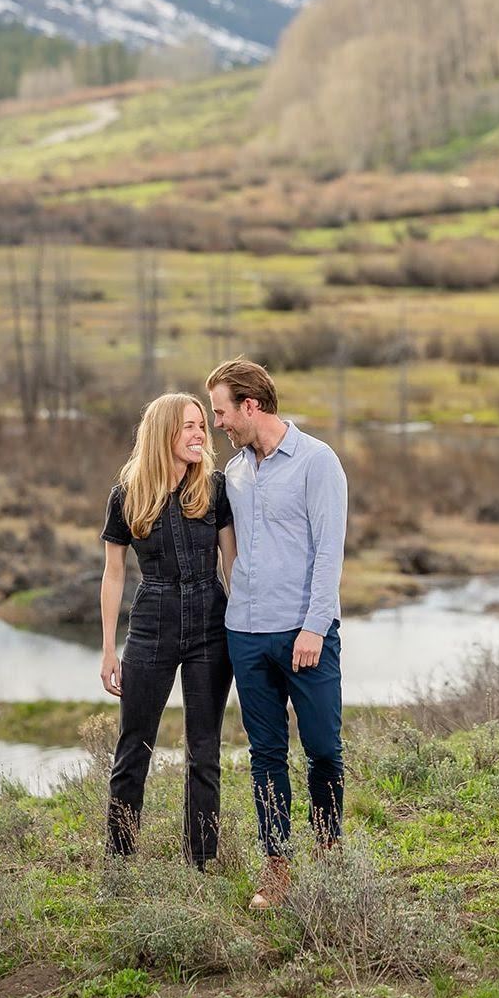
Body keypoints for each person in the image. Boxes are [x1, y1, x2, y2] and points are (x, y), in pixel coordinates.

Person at [206, 357, 348, 910]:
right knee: (265, 754)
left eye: (221, 412)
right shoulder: (234, 473)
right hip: (245, 632)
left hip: (304, 633)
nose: (218, 423)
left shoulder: (317, 461)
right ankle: (277, 866)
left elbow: (328, 551)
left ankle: (331, 854)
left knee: (322, 750)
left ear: (250, 405)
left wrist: (315, 627)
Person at [98, 392, 236, 868]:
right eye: (189, 427)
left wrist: (244, 630)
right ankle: (119, 861)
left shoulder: (215, 489)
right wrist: (108, 649)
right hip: (151, 624)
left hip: (210, 627)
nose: (201, 434)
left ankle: (201, 863)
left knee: (204, 752)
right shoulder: (127, 493)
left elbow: (232, 564)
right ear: (162, 434)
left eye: (203, 425)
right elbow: (113, 573)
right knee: (133, 748)